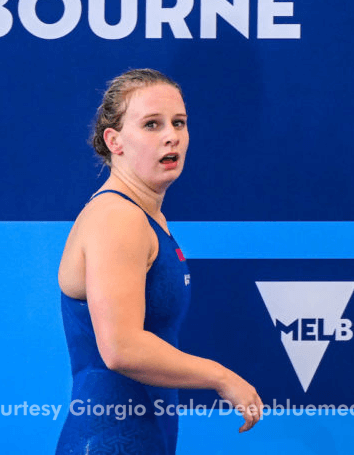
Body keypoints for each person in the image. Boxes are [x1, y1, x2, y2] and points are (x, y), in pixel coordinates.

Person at [56, 69, 263, 454]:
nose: (172, 135)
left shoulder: (149, 217)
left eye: (179, 123)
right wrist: (221, 377)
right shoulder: (118, 218)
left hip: (146, 437)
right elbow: (121, 347)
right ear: (114, 141)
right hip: (109, 440)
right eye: (152, 124)